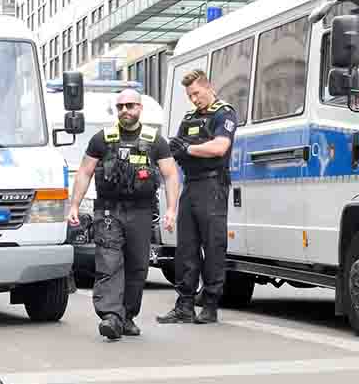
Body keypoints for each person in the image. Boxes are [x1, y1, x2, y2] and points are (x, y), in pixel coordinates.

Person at [68, 90, 180, 340]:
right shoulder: (102, 140)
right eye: (120, 107)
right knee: (109, 262)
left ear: (140, 108)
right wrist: (74, 205)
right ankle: (111, 316)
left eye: (130, 105)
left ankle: (127, 316)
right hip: (109, 211)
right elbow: (85, 172)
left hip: (141, 212)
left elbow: (171, 174)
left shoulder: (155, 141)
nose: (124, 110)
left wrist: (171, 210)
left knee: (137, 266)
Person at [157, 69, 238, 325]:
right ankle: (184, 305)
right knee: (186, 248)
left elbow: (219, 146)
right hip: (191, 186)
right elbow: (175, 148)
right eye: (190, 95)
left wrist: (189, 148)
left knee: (213, 247)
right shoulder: (190, 117)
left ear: (208, 87)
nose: (194, 99)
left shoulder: (225, 113)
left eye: (196, 93)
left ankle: (211, 304)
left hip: (213, 186)